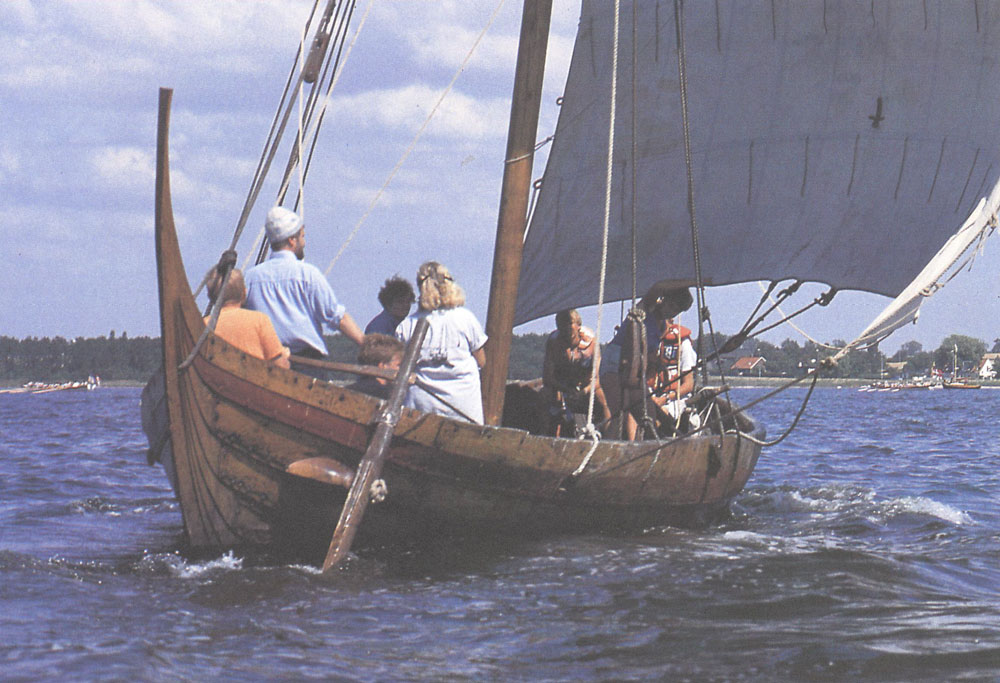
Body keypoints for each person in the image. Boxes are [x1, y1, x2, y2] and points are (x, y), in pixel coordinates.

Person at [244, 206, 364, 375]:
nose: (304, 242)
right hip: (307, 366)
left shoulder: (250, 278)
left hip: (267, 365)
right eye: (302, 237)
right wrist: (366, 346)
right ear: (292, 240)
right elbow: (337, 317)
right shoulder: (308, 275)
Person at [396, 261, 487, 424]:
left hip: (420, 410)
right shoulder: (466, 318)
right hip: (463, 409)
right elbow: (482, 361)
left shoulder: (406, 325)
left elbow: (398, 366)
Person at [605, 282, 696, 439]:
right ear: (664, 300)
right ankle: (606, 453)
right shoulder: (646, 309)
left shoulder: (661, 326)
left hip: (634, 373)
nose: (672, 313)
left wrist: (660, 366)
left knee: (649, 416)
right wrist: (691, 282)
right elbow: (658, 287)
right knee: (619, 415)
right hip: (614, 364)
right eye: (672, 306)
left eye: (677, 311)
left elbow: (650, 353)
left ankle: (649, 452)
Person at [542, 309, 611, 436]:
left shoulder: (591, 342)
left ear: (578, 325)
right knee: (547, 399)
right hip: (562, 384)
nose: (566, 328)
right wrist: (564, 389)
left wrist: (584, 391)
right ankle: (548, 437)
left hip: (586, 385)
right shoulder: (553, 342)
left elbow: (598, 377)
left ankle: (609, 437)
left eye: (569, 323)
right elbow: (547, 377)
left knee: (604, 402)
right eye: (561, 324)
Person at [204, 266, 290, 369]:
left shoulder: (204, 324)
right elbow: (280, 365)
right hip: (255, 379)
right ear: (244, 293)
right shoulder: (259, 320)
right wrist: (284, 356)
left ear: (211, 297)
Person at [347, 333, 404, 400]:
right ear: (383, 366)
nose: (401, 369)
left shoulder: (349, 390)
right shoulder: (387, 394)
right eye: (398, 365)